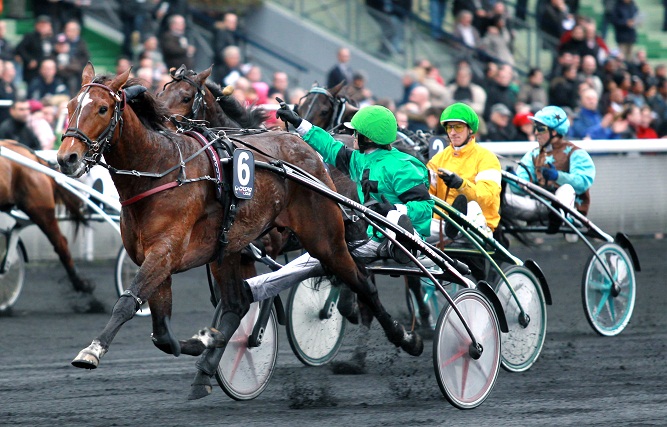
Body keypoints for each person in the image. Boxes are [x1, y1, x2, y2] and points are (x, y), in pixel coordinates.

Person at [244, 103, 434, 303]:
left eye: (355, 133)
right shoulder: (362, 159)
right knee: (322, 252)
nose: (352, 137)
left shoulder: (402, 167)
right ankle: (253, 289)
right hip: (375, 235)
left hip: (405, 234)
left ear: (368, 138)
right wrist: (299, 123)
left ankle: (403, 241)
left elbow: (425, 208)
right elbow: (330, 147)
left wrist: (396, 210)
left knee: (325, 253)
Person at [503, 105, 596, 236]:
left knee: (567, 189)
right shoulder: (532, 155)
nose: (535, 133)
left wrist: (558, 176)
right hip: (538, 207)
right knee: (500, 199)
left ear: (555, 131)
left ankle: (561, 216)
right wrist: (513, 180)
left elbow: (583, 183)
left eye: (540, 129)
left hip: (570, 210)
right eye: (535, 128)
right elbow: (519, 190)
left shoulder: (576, 153)